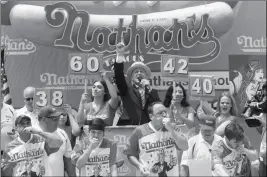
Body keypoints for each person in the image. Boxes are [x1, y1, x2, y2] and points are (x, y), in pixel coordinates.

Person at [124, 102, 188, 177]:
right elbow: (130, 154)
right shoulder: (139, 131)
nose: (164, 115)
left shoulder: (172, 127)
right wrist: (139, 165)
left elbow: (185, 147)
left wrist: (170, 129)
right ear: (151, 117)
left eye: (165, 112)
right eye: (160, 113)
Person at [114, 39, 161, 125]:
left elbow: (158, 108)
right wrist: (120, 55)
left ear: (146, 76)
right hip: (128, 127)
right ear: (131, 77)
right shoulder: (126, 89)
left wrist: (149, 90)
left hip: (147, 127)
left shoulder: (152, 91)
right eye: (136, 72)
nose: (139, 73)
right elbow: (118, 75)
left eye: (141, 71)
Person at [35, 105, 76, 177]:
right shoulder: (31, 134)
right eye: (54, 118)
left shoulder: (62, 133)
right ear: (44, 120)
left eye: (58, 117)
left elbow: (69, 162)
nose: (58, 120)